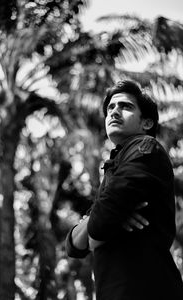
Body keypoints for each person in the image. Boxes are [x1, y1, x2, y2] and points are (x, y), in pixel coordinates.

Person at [65, 80, 183, 300]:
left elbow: (99, 228)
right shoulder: (116, 164)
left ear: (146, 123)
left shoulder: (146, 148)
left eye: (126, 106)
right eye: (111, 108)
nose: (115, 111)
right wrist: (108, 217)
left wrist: (98, 221)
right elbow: (73, 246)